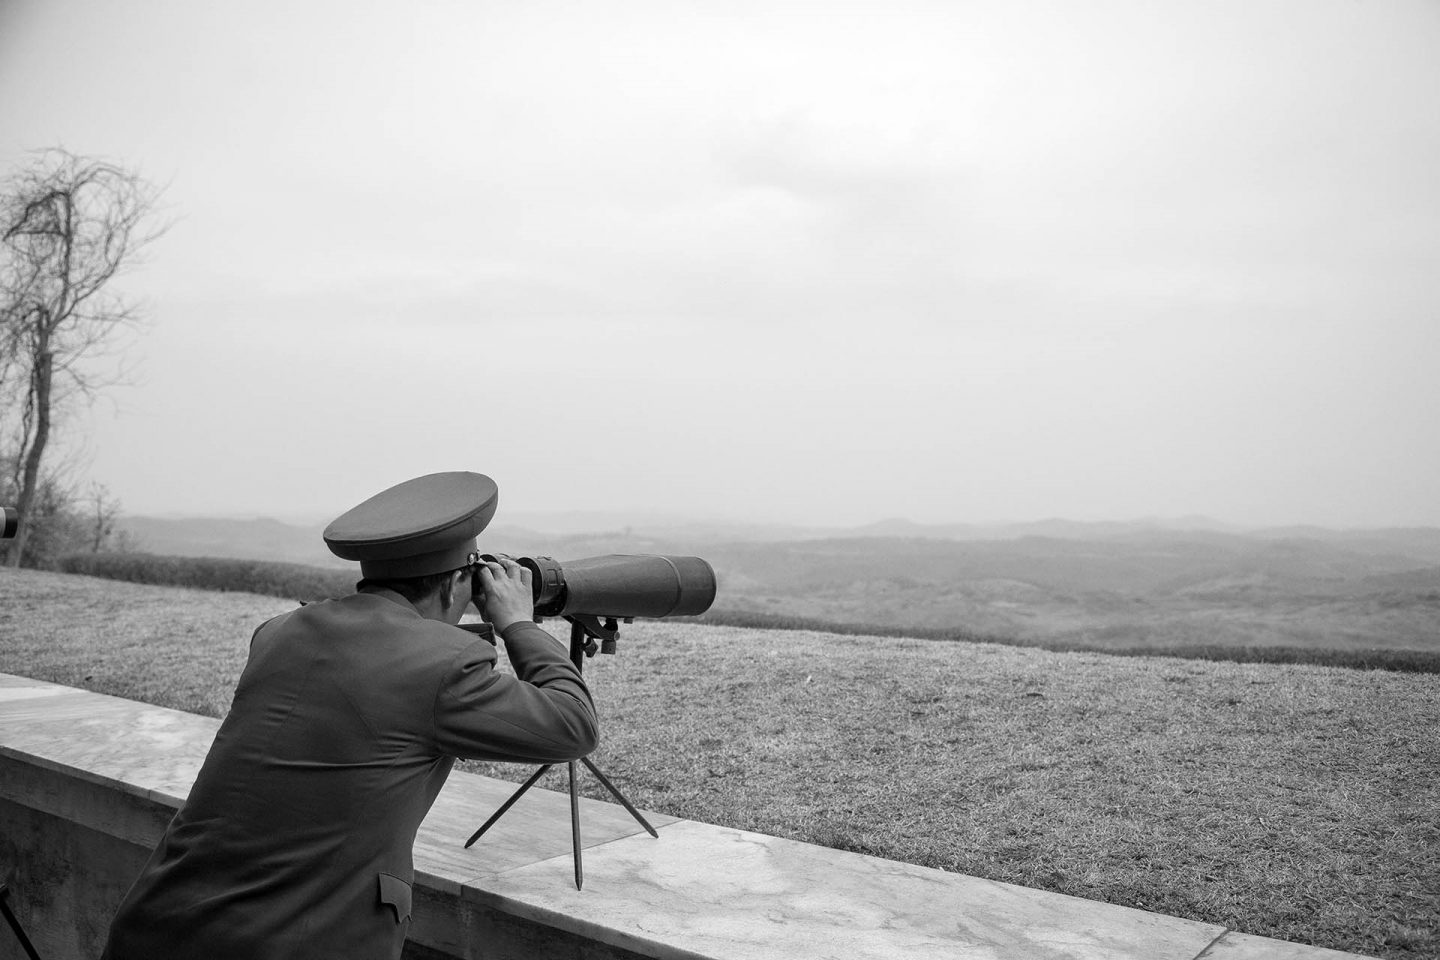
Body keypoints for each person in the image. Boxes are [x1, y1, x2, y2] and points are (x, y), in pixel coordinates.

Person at [101, 472, 598, 960]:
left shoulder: (278, 633)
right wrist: (517, 623)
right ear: (454, 588)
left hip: (155, 924)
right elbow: (573, 726)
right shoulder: (442, 667)